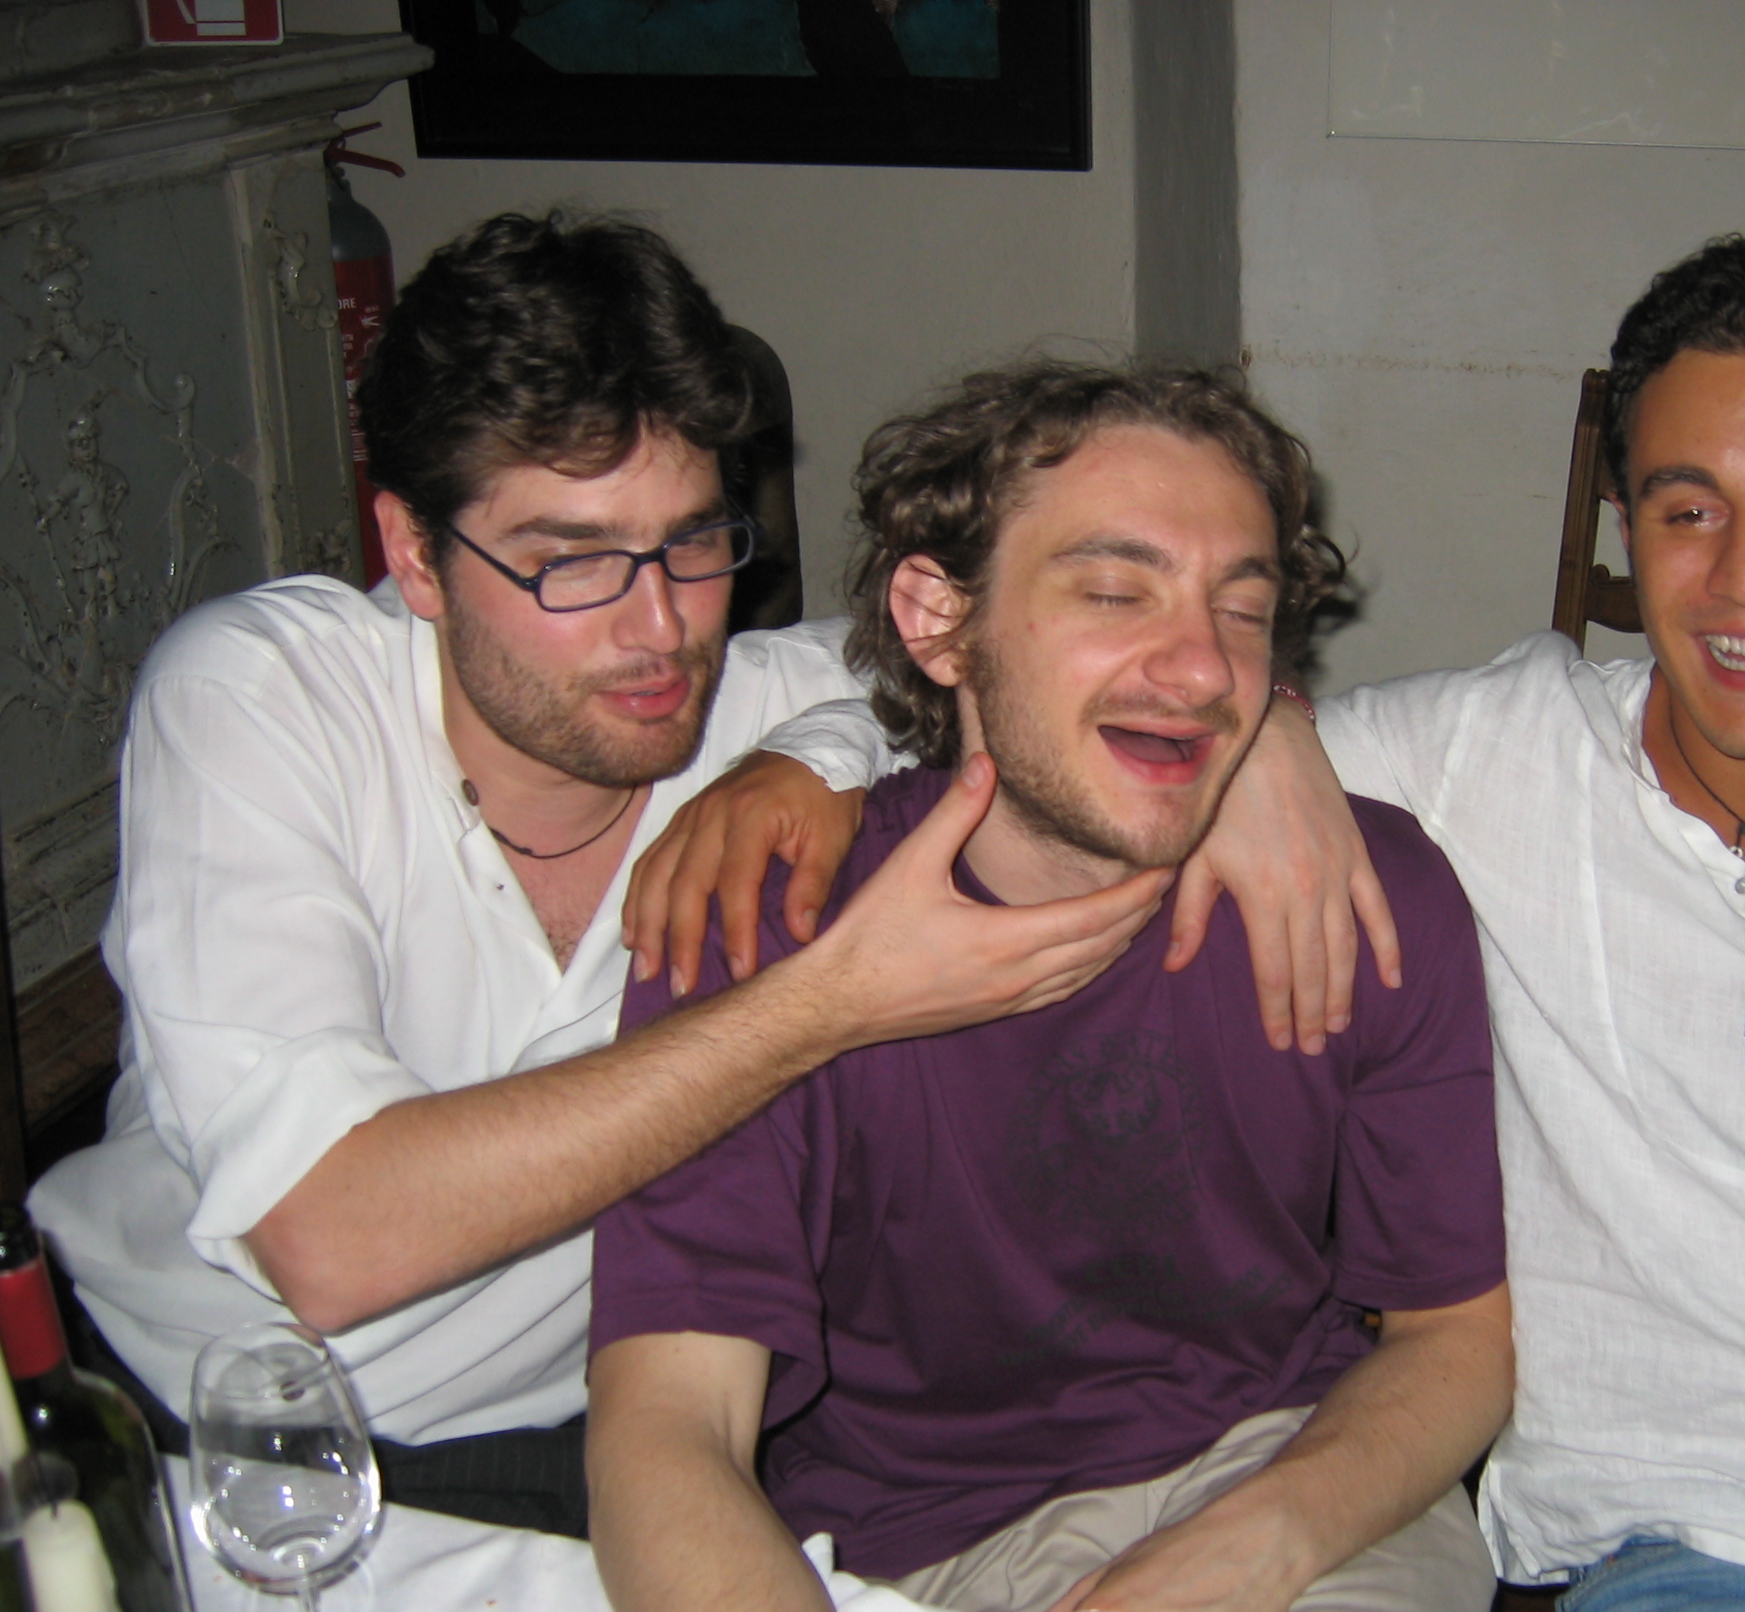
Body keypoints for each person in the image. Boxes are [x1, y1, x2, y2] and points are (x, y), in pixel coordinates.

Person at [733, 235, 1745, 1612]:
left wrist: (1265, 732)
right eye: (1687, 510)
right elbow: (1048, 706)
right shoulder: (1495, 756)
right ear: (1624, 532)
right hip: (1709, 1561)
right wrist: (805, 760)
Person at [24, 211, 1182, 1536]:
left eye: (692, 541)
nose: (661, 627)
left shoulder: (766, 706)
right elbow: (331, 1237)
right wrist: (835, 1000)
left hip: (588, 1441)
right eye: (571, 560)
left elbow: (1113, 664)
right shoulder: (262, 697)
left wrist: (1270, 782)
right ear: (414, 554)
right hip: (200, 1425)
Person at [584, 363, 1513, 1612]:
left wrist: (1265, 1538)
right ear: (940, 620)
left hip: (1305, 1488)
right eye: (1116, 592)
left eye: (1242, 608)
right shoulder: (762, 925)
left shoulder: (1368, 896)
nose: (1202, 669)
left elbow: (1457, 1339)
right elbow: (666, 1431)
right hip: (919, 1556)